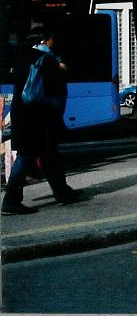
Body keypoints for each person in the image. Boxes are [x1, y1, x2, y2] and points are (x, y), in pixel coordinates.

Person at [1, 30, 81, 215]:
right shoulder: (47, 60)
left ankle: (62, 193)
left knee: (48, 155)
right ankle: (11, 201)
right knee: (27, 156)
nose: (54, 42)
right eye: (52, 38)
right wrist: (62, 70)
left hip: (22, 115)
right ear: (45, 40)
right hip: (39, 117)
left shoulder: (23, 58)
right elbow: (55, 90)